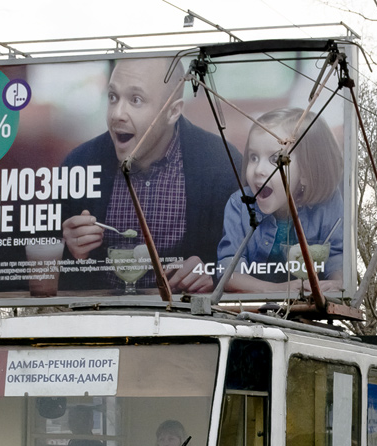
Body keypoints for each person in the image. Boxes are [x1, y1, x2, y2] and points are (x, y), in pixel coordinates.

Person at [59, 57, 242, 293]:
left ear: (173, 111)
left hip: (186, 321)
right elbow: (49, 276)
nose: (117, 114)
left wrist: (213, 275)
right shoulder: (79, 164)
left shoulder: (220, 163)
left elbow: (250, 260)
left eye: (136, 100)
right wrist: (72, 249)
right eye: (113, 97)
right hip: (102, 319)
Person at [213, 107, 344, 296]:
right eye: (254, 157)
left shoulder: (327, 203)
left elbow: (337, 256)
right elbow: (228, 272)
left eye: (275, 159)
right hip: (252, 312)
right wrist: (279, 290)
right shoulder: (239, 204)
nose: (258, 170)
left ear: (307, 171)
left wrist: (337, 282)